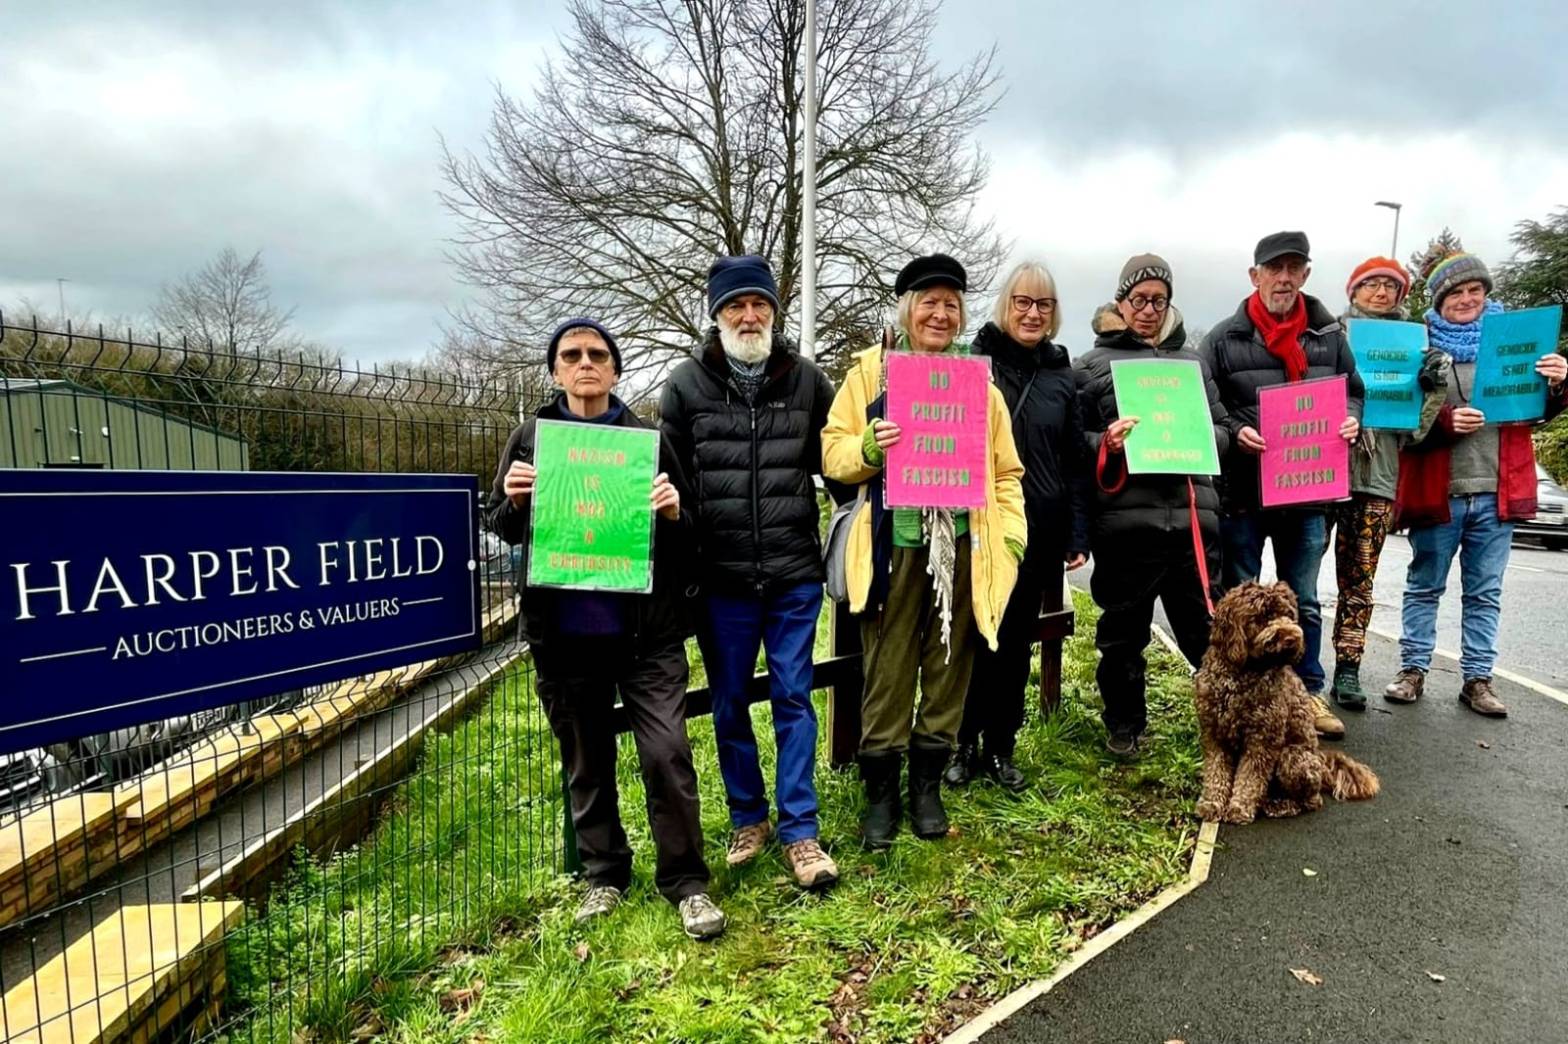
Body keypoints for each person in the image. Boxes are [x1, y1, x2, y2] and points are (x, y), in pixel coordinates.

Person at [484, 318, 726, 940]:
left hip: (647, 637)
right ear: (556, 371)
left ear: (615, 370)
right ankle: (605, 877)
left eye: (597, 354)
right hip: (564, 640)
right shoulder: (531, 440)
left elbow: (691, 531)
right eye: (572, 355)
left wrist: (673, 513)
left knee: (667, 755)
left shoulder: (647, 440)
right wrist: (513, 502)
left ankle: (686, 883)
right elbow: (501, 527)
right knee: (586, 763)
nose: (585, 363)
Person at [822, 253, 1027, 848]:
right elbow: (832, 452)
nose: (940, 314)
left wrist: (1011, 537)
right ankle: (881, 796)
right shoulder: (869, 376)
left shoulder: (979, 388)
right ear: (907, 309)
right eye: (928, 302)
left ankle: (927, 787)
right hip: (894, 547)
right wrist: (867, 447)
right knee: (886, 672)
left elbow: (1006, 472)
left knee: (947, 668)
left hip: (962, 549)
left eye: (951, 305)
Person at [659, 255, 840, 890]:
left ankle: (801, 832)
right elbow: (670, 486)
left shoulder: (808, 381)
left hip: (793, 573)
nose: (749, 314)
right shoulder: (684, 387)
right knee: (731, 704)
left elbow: (837, 464)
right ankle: (748, 817)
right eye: (735, 305)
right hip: (722, 580)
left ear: (773, 311)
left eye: (759, 304)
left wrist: (875, 440)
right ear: (716, 315)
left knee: (794, 697)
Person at [1386, 253, 1568, 716]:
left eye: (1475, 291)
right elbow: (1401, 425)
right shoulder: (1420, 352)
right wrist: (1446, 423)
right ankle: (1412, 671)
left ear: (1486, 295)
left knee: (1485, 593)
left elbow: (1539, 411)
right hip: (1439, 494)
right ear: (1439, 301)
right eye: (1455, 293)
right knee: (1425, 586)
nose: (1466, 300)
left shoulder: (1518, 349)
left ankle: (1478, 681)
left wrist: (1559, 384)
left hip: (1495, 490)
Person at [1200, 231, 1364, 740]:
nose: (1285, 278)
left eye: (1294, 268)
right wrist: (1232, 429)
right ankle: (1245, 693)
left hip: (1307, 493)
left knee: (1306, 600)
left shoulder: (1329, 336)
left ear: (1306, 275)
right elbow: (1205, 403)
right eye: (1275, 269)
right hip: (1244, 493)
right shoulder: (1224, 338)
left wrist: (1352, 421)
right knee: (1243, 598)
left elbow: (1353, 393)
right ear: (1256, 276)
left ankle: (1308, 692)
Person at [1075, 254, 1230, 756]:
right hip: (1126, 527)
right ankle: (1124, 725)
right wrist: (1107, 442)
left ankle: (1227, 725)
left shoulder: (1193, 364)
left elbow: (1224, 430)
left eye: (1158, 301)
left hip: (1191, 525)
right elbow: (1073, 440)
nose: (1148, 310)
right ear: (1121, 302)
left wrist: (1205, 437)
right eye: (1138, 299)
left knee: (1208, 635)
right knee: (1122, 635)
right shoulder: (1091, 365)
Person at [945, 261, 1089, 789]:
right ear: (1006, 306)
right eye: (1023, 302)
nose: (1032, 313)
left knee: (1015, 645)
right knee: (973, 637)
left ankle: (1001, 747)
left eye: (1043, 305)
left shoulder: (1061, 374)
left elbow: (1073, 458)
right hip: (982, 523)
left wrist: (1077, 531)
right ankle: (960, 743)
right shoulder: (975, 363)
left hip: (1040, 529)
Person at [1327, 258, 1422, 710]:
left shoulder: (1417, 350)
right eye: (1371, 284)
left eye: (1391, 286)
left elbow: (1420, 432)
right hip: (1324, 475)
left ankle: (1348, 668)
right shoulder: (1329, 337)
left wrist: (1430, 388)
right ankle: (1297, 671)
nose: (1381, 292)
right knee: (1302, 579)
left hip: (1378, 478)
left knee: (1360, 581)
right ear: (1354, 290)